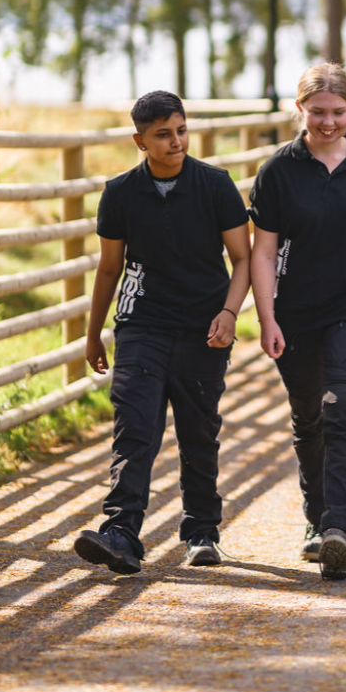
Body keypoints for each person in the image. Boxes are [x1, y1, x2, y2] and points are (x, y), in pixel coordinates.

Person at [74, 90, 252, 575]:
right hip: (141, 326)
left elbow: (243, 259)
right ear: (140, 141)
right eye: (162, 135)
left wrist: (230, 313)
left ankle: (200, 531)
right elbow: (109, 269)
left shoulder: (216, 186)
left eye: (181, 130)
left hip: (204, 328)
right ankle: (121, 533)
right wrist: (93, 334)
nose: (176, 142)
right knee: (135, 429)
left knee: (198, 431)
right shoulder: (120, 193)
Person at [248, 64, 346, 581]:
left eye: (338, 112)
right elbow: (264, 251)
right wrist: (266, 316)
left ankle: (339, 527)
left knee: (342, 407)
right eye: (318, 112)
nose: (329, 122)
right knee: (309, 417)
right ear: (300, 110)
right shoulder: (278, 171)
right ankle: (316, 522)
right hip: (295, 312)